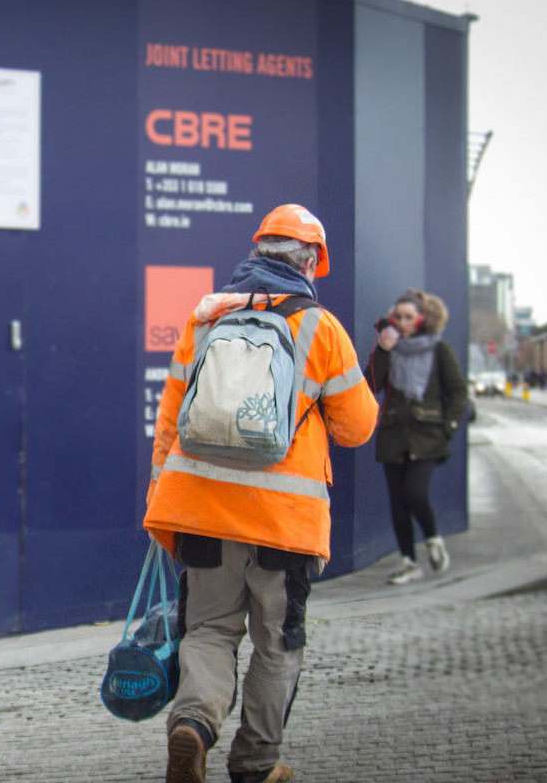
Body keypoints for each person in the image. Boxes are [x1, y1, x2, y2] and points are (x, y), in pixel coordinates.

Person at [144, 204, 378, 783]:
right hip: (283, 523)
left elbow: (170, 419)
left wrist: (160, 493)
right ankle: (254, 764)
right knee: (276, 643)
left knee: (208, 631)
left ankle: (191, 726)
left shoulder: (204, 319)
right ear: (311, 262)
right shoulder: (321, 328)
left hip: (202, 514)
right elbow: (357, 427)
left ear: (256, 253)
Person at [365, 290, 467, 585]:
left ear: (422, 319)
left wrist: (447, 428)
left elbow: (458, 392)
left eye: (409, 317)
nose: (403, 322)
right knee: (398, 502)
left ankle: (433, 539)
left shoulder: (439, 349)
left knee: (415, 493)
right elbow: (370, 385)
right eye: (398, 316)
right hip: (393, 435)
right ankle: (408, 562)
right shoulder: (390, 348)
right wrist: (383, 350)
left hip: (427, 436)